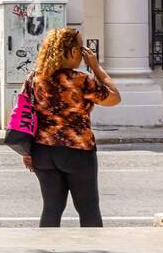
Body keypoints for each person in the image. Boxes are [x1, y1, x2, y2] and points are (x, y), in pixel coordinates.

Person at [23, 28, 120, 227]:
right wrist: (96, 67)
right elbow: (114, 98)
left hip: (42, 150)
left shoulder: (34, 78)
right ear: (74, 52)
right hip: (78, 151)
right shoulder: (81, 80)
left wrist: (26, 150)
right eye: (80, 47)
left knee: (51, 208)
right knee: (88, 208)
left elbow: (23, 114)